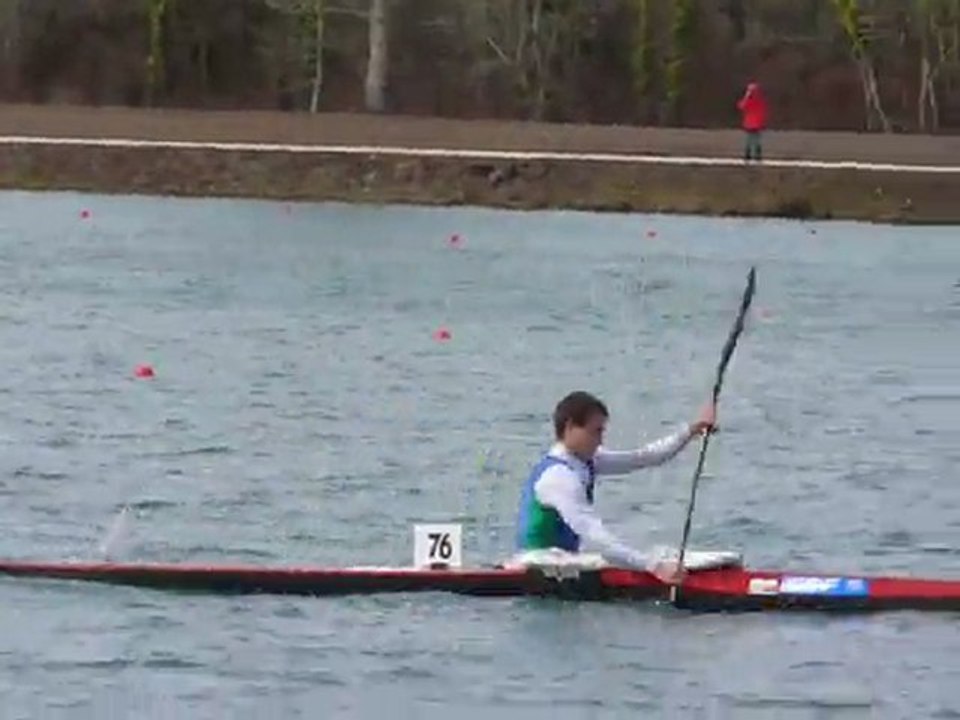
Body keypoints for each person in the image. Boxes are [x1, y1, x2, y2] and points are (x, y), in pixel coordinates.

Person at [514, 391, 715, 582]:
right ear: (570, 427)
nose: (601, 440)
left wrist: (690, 432)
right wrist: (653, 566)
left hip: (564, 563)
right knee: (640, 556)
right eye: (596, 431)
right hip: (538, 565)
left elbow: (644, 457)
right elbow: (595, 536)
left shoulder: (586, 460)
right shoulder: (559, 477)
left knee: (653, 553)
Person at [737, 81, 768, 162]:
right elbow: (763, 111)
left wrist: (746, 97)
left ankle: (748, 156)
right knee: (757, 140)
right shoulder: (760, 100)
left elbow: (741, 106)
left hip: (749, 123)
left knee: (749, 140)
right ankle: (758, 156)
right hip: (757, 123)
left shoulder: (749, 100)